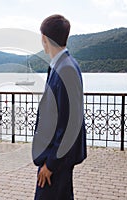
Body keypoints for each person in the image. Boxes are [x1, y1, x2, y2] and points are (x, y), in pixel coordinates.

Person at [32, 14, 87, 199]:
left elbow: (69, 124)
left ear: (44, 39)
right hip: (56, 156)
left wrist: (51, 164)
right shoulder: (62, 65)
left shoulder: (67, 69)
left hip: (56, 160)